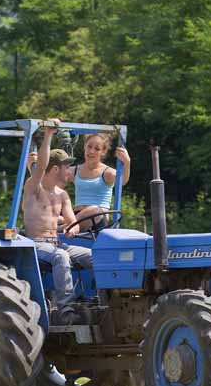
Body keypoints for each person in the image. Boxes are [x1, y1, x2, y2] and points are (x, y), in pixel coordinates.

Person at [22, 120, 92, 325]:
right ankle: (65, 309)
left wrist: (73, 228)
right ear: (54, 170)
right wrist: (48, 135)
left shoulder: (62, 195)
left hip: (57, 243)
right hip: (35, 243)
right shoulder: (34, 188)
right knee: (61, 257)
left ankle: (97, 304)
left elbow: (73, 221)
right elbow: (41, 165)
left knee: (96, 257)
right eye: (66, 166)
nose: (69, 170)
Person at [28, 132, 131, 231]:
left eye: (97, 149)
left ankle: (59, 228)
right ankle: (61, 224)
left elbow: (123, 181)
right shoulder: (74, 171)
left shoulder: (108, 172)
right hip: (75, 215)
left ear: (103, 152)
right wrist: (31, 166)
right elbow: (47, 185)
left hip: (97, 219)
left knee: (94, 210)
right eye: (89, 146)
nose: (91, 151)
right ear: (84, 146)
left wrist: (127, 162)